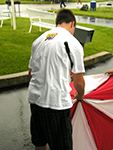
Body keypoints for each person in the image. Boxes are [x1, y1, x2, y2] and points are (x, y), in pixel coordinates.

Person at [27, 9, 85, 150]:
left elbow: (31, 73)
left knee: (39, 141)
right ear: (73, 23)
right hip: (56, 104)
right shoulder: (73, 43)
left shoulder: (39, 40)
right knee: (62, 146)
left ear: (57, 22)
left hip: (35, 101)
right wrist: (80, 95)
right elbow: (79, 81)